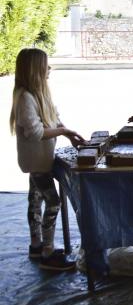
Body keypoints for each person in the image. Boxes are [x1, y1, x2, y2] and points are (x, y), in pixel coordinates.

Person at [10, 48, 85, 271]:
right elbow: (34, 132)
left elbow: (55, 118)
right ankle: (48, 253)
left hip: (40, 161)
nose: (49, 69)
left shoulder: (40, 94)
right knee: (53, 202)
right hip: (37, 162)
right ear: (35, 70)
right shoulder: (25, 98)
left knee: (35, 200)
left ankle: (36, 245)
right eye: (45, 65)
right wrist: (63, 132)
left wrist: (69, 132)